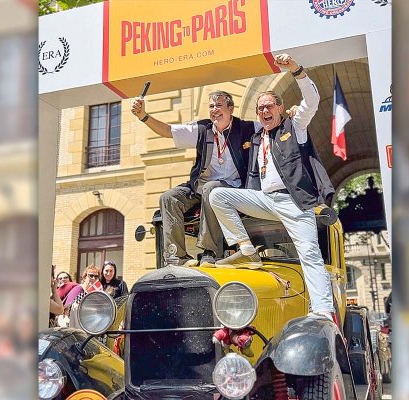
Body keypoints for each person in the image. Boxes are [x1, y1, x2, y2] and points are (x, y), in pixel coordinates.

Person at [209, 53, 335, 319]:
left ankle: (323, 311)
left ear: (280, 108)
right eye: (260, 108)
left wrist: (296, 70)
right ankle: (245, 249)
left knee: (310, 254)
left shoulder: (295, 126)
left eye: (269, 107)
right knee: (219, 196)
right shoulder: (257, 138)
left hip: (294, 201)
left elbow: (311, 101)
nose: (265, 111)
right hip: (265, 200)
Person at [131, 89, 259, 266]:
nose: (214, 109)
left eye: (219, 105)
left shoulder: (248, 128)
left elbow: (275, 125)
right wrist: (143, 116)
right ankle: (176, 256)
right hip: (199, 188)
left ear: (231, 108)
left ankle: (210, 251)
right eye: (211, 106)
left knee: (212, 187)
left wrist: (293, 114)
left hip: (233, 189)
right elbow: (168, 130)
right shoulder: (202, 129)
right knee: (168, 198)